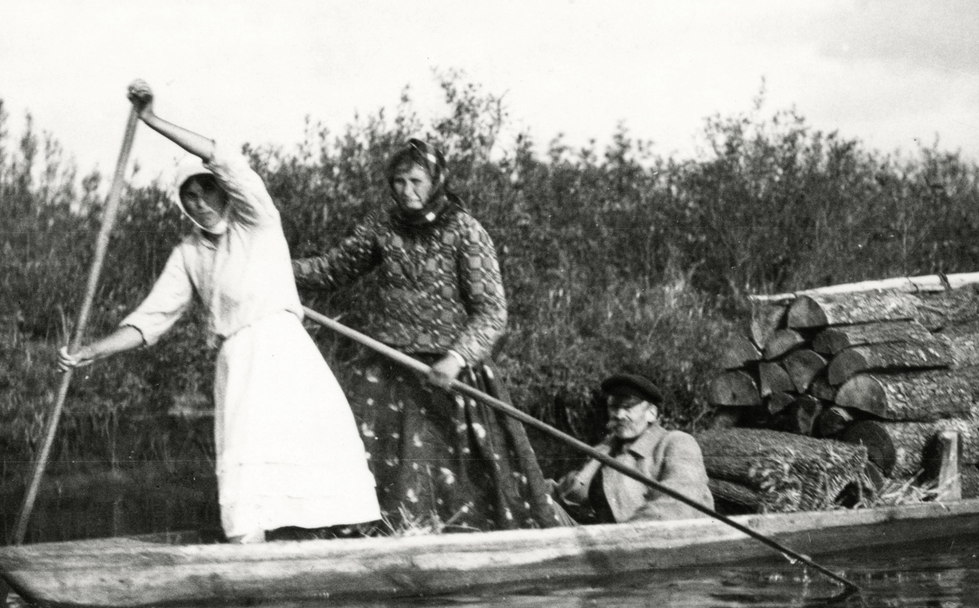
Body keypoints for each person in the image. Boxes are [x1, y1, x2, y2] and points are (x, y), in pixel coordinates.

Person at [57, 81, 380, 543]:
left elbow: (224, 157)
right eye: (189, 196)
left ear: (225, 192)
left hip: (284, 351)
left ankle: (340, 548)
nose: (200, 203)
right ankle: (249, 551)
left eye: (208, 191)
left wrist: (150, 120)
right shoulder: (189, 253)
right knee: (248, 466)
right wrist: (91, 351)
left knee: (312, 453)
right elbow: (150, 320)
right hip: (239, 360)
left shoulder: (258, 221)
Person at [291, 138, 562, 531]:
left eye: (416, 181)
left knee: (463, 487)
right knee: (366, 471)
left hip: (447, 374)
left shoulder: (466, 231)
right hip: (387, 368)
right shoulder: (382, 227)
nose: (407, 191)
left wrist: (457, 357)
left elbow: (491, 312)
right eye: (398, 182)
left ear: (436, 180)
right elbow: (331, 270)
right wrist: (271, 264)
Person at [554, 373, 714, 524]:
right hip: (605, 536)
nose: (619, 414)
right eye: (613, 407)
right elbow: (565, 491)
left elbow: (679, 502)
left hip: (656, 541)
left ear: (651, 413)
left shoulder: (676, 442)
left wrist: (626, 536)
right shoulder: (606, 449)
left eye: (628, 407)